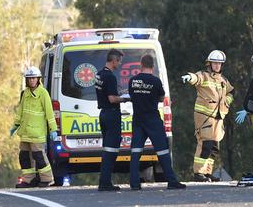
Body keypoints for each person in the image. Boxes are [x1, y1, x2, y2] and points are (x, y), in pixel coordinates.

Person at [128, 54, 185, 190]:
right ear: (152, 66)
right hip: (152, 120)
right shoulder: (156, 81)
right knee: (163, 151)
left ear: (141, 65)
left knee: (135, 152)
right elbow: (161, 97)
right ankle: (171, 181)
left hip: (138, 120)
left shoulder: (132, 81)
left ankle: (134, 183)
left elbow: (132, 96)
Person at [181, 49, 234, 182]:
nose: (217, 65)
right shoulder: (204, 75)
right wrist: (189, 77)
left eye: (219, 63)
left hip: (218, 116)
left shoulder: (223, 80)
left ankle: (207, 172)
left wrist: (227, 101)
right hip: (204, 116)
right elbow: (196, 78)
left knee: (214, 147)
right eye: (214, 63)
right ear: (209, 64)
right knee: (205, 143)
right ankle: (198, 173)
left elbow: (231, 92)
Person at [11, 67, 57, 188]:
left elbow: (49, 113)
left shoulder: (43, 93)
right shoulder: (24, 93)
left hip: (37, 132)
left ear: (38, 79)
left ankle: (47, 179)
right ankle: (28, 180)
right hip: (25, 132)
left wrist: (53, 129)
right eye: (29, 78)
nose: (31, 80)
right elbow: (20, 111)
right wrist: (15, 126)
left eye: (34, 78)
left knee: (39, 156)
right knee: (24, 156)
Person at [95, 48, 129, 191]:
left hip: (103, 114)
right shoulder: (110, 77)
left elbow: (105, 94)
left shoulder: (99, 74)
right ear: (114, 59)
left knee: (107, 148)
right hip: (111, 114)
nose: (120, 63)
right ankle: (105, 183)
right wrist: (125, 99)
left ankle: (105, 181)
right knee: (111, 150)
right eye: (119, 60)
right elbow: (112, 98)